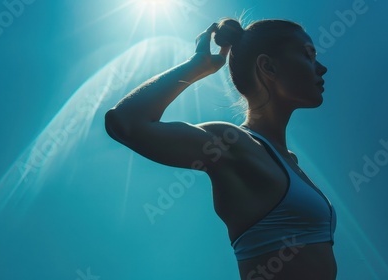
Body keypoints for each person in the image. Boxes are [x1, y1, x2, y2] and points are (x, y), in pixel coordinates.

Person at [105, 17, 336, 280]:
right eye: (308, 55)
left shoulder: (289, 160)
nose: (322, 68)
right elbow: (125, 122)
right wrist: (197, 66)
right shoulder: (231, 144)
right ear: (268, 67)